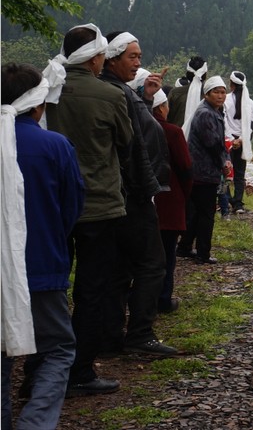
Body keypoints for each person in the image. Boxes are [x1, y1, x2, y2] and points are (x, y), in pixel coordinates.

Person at [43, 24, 130, 395]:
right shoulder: (109, 95)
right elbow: (125, 143)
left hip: (52, 206)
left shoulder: (46, 92)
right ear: (96, 57)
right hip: (99, 205)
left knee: (49, 288)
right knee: (92, 290)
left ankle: (42, 368)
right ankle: (80, 371)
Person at [1, 63, 85, 428]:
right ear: (38, 104)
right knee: (59, 347)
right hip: (41, 266)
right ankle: (35, 423)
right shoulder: (55, 146)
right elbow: (72, 207)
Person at [99, 31, 177, 358]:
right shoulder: (118, 94)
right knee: (151, 263)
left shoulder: (125, 93)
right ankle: (140, 335)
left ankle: (110, 334)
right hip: (134, 195)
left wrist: (144, 97)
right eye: (132, 56)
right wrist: (147, 191)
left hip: (127, 193)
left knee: (120, 268)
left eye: (139, 56)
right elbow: (135, 149)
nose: (139, 62)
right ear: (112, 58)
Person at [179, 76, 229, 265]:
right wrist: (224, 162)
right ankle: (203, 253)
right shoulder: (206, 114)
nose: (220, 95)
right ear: (206, 94)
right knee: (206, 213)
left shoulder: (214, 111)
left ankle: (184, 247)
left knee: (196, 212)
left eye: (223, 92)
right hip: (204, 171)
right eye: (216, 92)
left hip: (202, 171)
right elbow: (213, 143)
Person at [151, 89, 192, 314]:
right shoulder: (172, 132)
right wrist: (184, 196)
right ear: (161, 107)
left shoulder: (136, 126)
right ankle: (163, 298)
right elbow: (186, 167)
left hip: (144, 200)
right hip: (169, 199)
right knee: (167, 253)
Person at [223, 71, 253, 214]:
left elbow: (223, 121)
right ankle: (238, 204)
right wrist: (241, 139)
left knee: (225, 171)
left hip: (228, 140)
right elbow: (251, 125)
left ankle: (226, 199)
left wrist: (231, 139)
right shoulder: (250, 103)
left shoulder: (225, 99)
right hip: (243, 142)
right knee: (240, 174)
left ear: (231, 84)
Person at [167, 56, 207, 131]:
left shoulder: (175, 93)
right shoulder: (209, 95)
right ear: (204, 75)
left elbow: (167, 117)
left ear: (188, 74)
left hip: (177, 137)